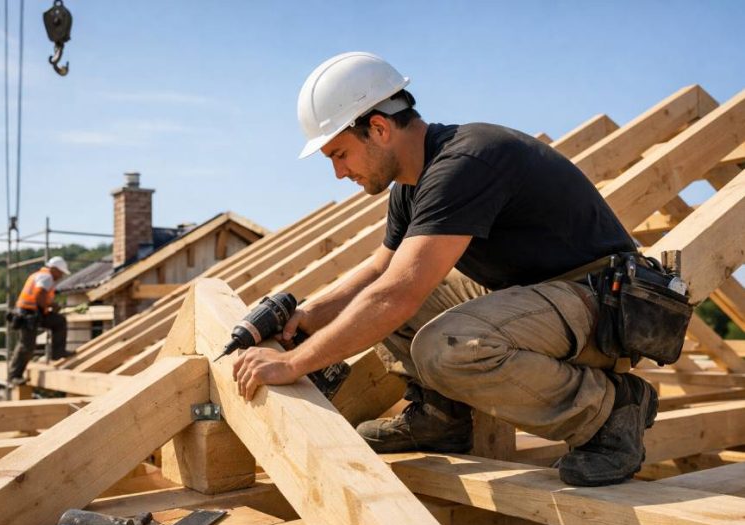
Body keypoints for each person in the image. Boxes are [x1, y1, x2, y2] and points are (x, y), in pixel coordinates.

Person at [232, 52, 658, 487]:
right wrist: (306, 315)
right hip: (544, 300)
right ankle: (441, 417)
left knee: (444, 345)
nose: (340, 173)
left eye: (340, 154)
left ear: (378, 128)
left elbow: (397, 293)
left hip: (605, 305)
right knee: (395, 300)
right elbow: (381, 271)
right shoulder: (411, 188)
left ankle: (609, 413)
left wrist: (294, 364)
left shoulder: (467, 162)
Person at [8, 256, 71, 385]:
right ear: (54, 269)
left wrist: (48, 308)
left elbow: (40, 298)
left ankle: (58, 353)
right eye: (60, 272)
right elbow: (39, 296)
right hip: (27, 315)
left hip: (34, 313)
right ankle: (14, 375)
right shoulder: (46, 277)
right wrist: (52, 306)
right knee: (27, 345)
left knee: (59, 321)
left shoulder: (41, 275)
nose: (61, 276)